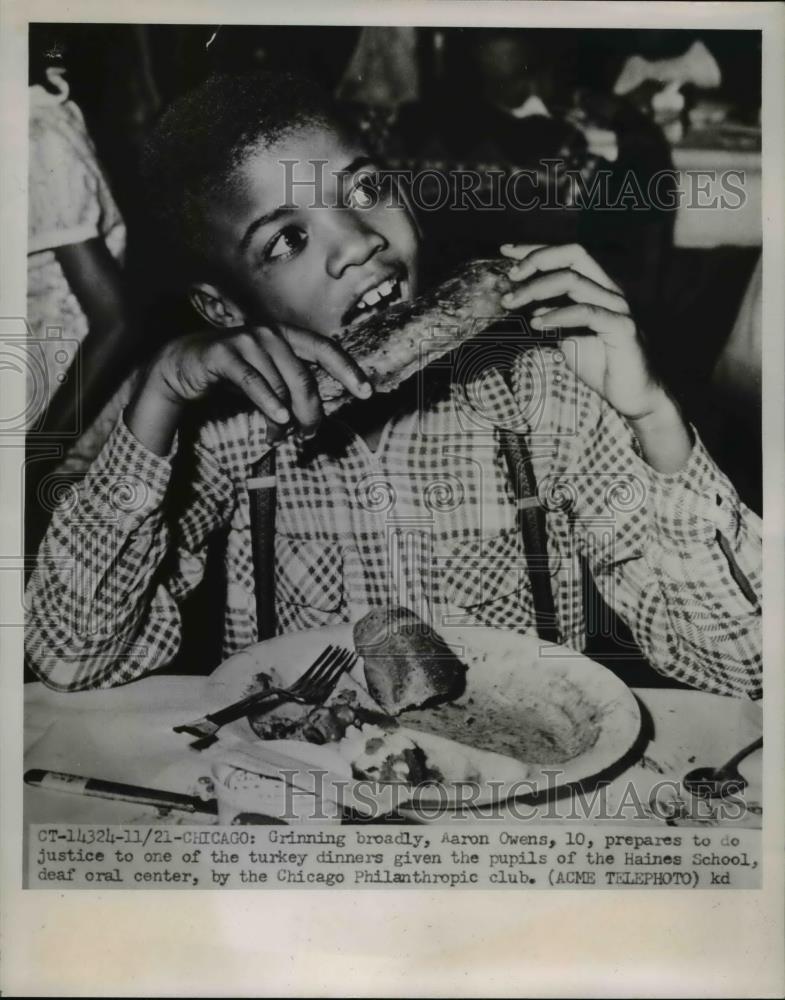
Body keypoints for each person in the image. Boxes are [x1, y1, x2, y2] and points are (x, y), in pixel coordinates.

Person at [25, 70, 761, 699]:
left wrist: (652, 416)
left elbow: (743, 663)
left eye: (368, 188)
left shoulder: (548, 395)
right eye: (287, 239)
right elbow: (72, 660)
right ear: (225, 311)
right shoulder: (227, 431)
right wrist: (155, 401)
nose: (358, 240)